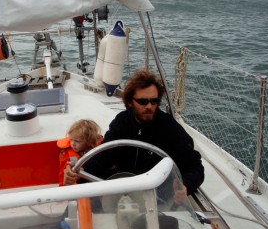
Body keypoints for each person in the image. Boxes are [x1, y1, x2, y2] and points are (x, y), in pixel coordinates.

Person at [64, 70, 204, 203]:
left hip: (157, 195)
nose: (149, 106)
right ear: (130, 102)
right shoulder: (122, 123)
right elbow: (105, 156)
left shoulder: (170, 128)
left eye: (154, 101)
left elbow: (195, 167)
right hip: (124, 189)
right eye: (143, 102)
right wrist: (81, 171)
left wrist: (186, 186)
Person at [58, 119, 102, 186]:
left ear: (89, 141)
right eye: (71, 139)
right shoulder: (66, 155)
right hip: (78, 187)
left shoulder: (100, 151)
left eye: (77, 141)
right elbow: (63, 176)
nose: (72, 143)